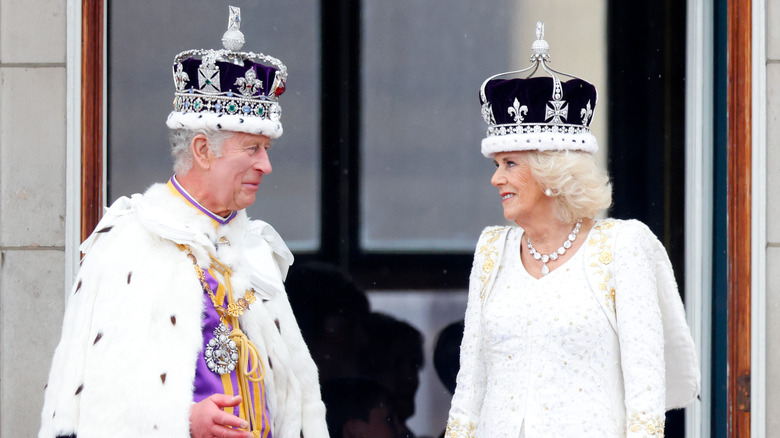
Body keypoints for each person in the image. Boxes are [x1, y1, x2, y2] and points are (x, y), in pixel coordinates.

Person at [38, 7, 328, 438]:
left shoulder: (252, 248)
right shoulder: (130, 245)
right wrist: (182, 423)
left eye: (266, 149)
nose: (266, 165)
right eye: (251, 149)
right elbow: (95, 405)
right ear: (202, 149)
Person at [444, 23, 699, 438]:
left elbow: (645, 391)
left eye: (511, 164)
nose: (496, 180)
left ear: (552, 174)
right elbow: (470, 385)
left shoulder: (621, 246)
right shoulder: (491, 250)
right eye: (497, 166)